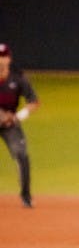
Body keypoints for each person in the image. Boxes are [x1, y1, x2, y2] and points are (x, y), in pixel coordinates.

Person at [0, 42, 39, 208]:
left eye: (3, 56)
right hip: (4, 117)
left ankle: (26, 197)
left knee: (21, 155)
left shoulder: (18, 78)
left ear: (9, 59)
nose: (1, 60)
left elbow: (34, 102)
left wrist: (17, 117)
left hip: (11, 125)